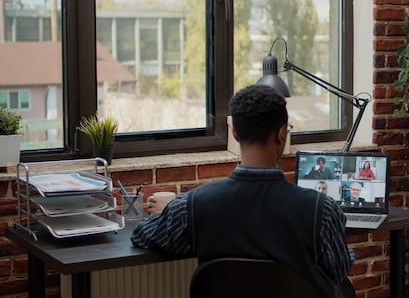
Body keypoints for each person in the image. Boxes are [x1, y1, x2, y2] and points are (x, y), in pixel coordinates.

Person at [131, 85, 355, 298]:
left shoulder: (195, 204)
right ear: (281, 133)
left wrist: (172, 209)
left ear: (235, 133)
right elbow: (338, 269)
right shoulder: (322, 210)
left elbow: (141, 235)